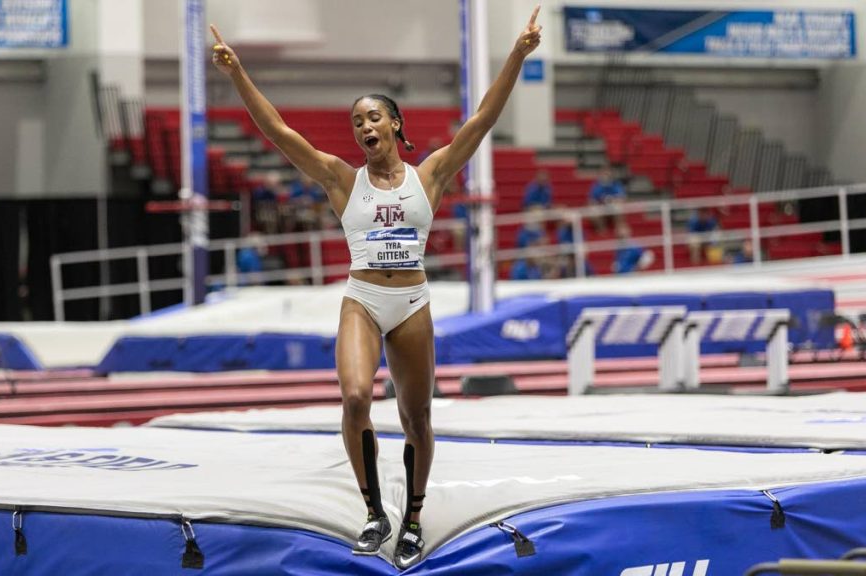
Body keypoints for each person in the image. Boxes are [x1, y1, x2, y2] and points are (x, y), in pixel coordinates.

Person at [210, 8, 543, 569]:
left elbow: (483, 118)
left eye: (371, 119)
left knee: (417, 417)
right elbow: (279, 133)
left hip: (412, 304)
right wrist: (238, 72)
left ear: (394, 125)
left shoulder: (430, 175)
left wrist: (517, 53)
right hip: (363, 299)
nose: (363, 129)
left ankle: (412, 517)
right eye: (355, 123)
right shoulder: (342, 178)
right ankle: (374, 513)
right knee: (356, 397)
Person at [588, 165, 626, 233]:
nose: (606, 175)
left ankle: (619, 230)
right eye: (604, 173)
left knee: (619, 208)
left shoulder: (616, 184)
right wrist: (599, 203)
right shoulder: (596, 185)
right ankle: (602, 231)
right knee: (593, 211)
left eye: (608, 173)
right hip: (601, 207)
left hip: (613, 206)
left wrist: (613, 201)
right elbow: (591, 200)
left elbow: (622, 198)